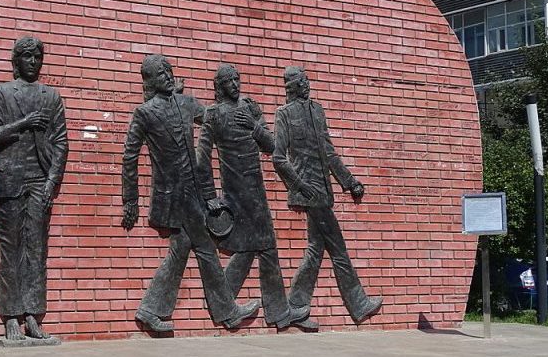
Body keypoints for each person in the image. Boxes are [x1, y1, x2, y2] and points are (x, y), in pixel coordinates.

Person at [121, 54, 259, 333]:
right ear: (149, 81)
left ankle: (151, 310)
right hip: (172, 195)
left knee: (181, 251)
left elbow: (212, 116)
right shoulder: (145, 113)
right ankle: (227, 312)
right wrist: (130, 199)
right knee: (206, 249)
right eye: (161, 74)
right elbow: (129, 156)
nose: (168, 77)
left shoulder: (185, 103)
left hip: (193, 191)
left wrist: (245, 109)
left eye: (169, 71)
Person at [196, 64, 309, 329]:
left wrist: (254, 126)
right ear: (220, 86)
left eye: (237, 79)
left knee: (254, 248)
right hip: (235, 192)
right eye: (229, 81)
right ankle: (272, 313)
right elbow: (202, 158)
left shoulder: (250, 107)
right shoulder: (212, 115)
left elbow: (271, 146)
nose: (235, 84)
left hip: (256, 189)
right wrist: (210, 195)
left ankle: (227, 306)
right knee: (262, 247)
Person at [273, 66, 382, 325]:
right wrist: (300, 185)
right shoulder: (284, 115)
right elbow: (279, 157)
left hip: (323, 192)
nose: (307, 84)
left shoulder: (317, 110)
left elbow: (329, 153)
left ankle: (294, 308)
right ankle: (358, 304)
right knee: (338, 249)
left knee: (315, 250)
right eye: (302, 81)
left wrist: (349, 182)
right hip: (309, 194)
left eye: (307, 80)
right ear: (292, 85)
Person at [0, 36, 69, 341]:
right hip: (10, 179)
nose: (34, 62)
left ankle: (33, 316)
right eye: (28, 57)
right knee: (11, 251)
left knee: (37, 251)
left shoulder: (51, 95)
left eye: (38, 57)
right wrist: (23, 122)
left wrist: (51, 181)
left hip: (39, 180)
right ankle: (10, 317)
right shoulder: (3, 93)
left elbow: (61, 143)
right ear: (16, 61)